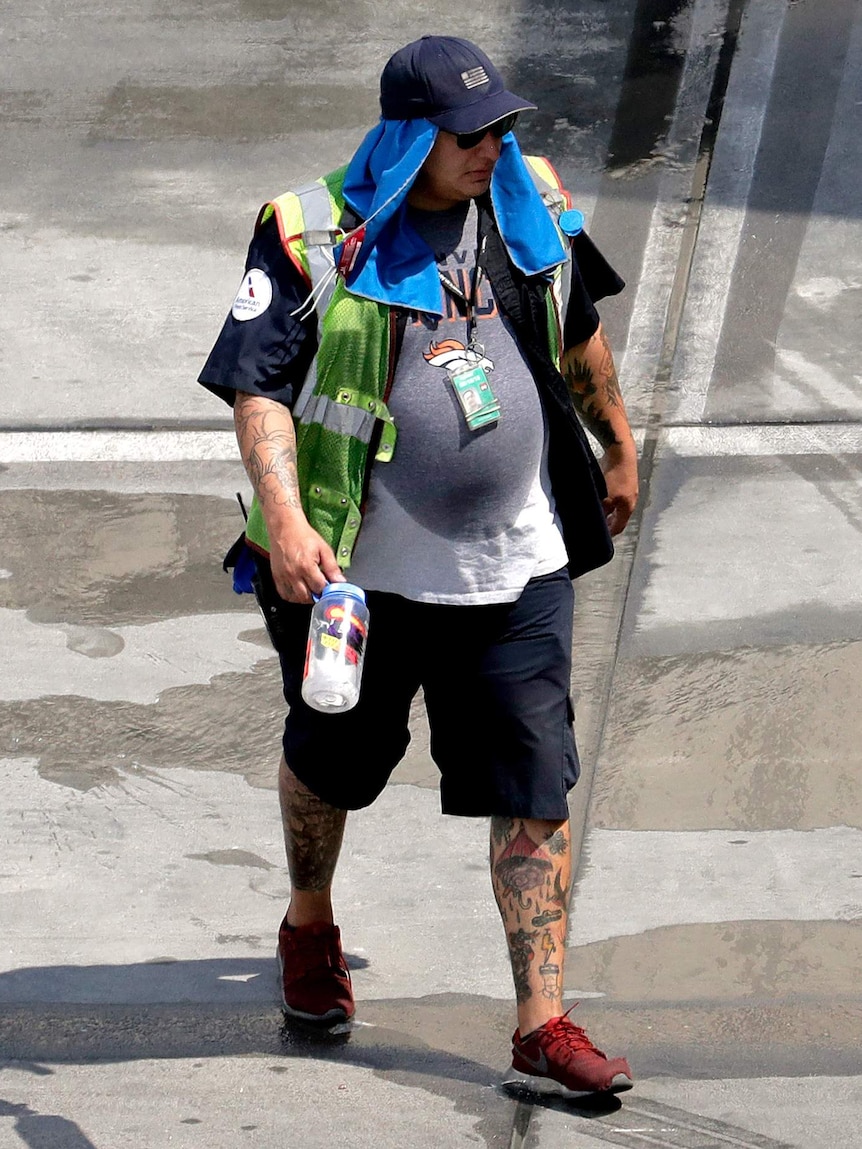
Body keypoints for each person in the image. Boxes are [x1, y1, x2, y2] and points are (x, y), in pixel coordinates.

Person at [199, 35, 639, 1098]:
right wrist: (288, 520)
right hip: (358, 577)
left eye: (500, 127)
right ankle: (309, 923)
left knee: (537, 782)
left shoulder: (527, 203)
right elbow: (256, 388)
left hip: (518, 564)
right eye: (467, 134)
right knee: (334, 763)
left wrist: (618, 440)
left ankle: (542, 1022)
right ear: (410, 135)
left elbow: (573, 322)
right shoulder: (313, 233)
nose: (493, 147)